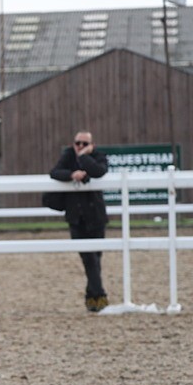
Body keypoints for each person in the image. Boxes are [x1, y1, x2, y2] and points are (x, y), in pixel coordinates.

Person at [50, 130, 109, 312]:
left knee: (95, 257)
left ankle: (93, 297)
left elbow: (99, 171)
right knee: (88, 257)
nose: (80, 146)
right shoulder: (68, 155)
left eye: (85, 144)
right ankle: (98, 295)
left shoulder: (98, 156)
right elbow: (54, 172)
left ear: (92, 145)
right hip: (76, 217)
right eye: (78, 143)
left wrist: (84, 157)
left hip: (95, 216)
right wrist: (72, 175)